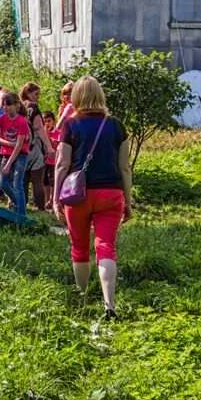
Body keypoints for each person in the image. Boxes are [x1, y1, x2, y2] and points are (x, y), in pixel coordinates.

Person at [53, 75, 133, 321]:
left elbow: (61, 164)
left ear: (76, 96)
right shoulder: (116, 125)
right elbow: (125, 168)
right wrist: (128, 201)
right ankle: (110, 305)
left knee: (79, 248)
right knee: (106, 247)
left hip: (78, 196)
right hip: (111, 194)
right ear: (100, 95)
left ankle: (83, 296)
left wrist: (56, 198)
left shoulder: (70, 125)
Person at [0, 92, 30, 216]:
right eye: (4, 105)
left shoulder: (22, 122)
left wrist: (9, 164)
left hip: (20, 155)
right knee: (3, 183)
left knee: (18, 183)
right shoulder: (1, 119)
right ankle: (19, 203)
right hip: (6, 153)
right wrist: (9, 143)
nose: (6, 108)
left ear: (16, 105)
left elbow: (19, 145)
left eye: (9, 105)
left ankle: (21, 214)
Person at [20, 82, 53, 210]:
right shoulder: (33, 107)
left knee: (23, 180)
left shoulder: (18, 105)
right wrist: (49, 147)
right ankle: (41, 209)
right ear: (28, 93)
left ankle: (22, 206)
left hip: (21, 147)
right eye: (36, 94)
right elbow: (39, 127)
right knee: (37, 180)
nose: (38, 97)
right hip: (34, 147)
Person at [42, 111, 57, 208]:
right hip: (43, 161)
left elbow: (54, 145)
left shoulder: (57, 132)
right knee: (44, 181)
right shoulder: (41, 132)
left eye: (49, 121)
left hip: (53, 162)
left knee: (52, 182)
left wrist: (47, 135)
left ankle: (52, 200)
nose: (47, 123)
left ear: (54, 122)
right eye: (45, 122)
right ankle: (46, 200)